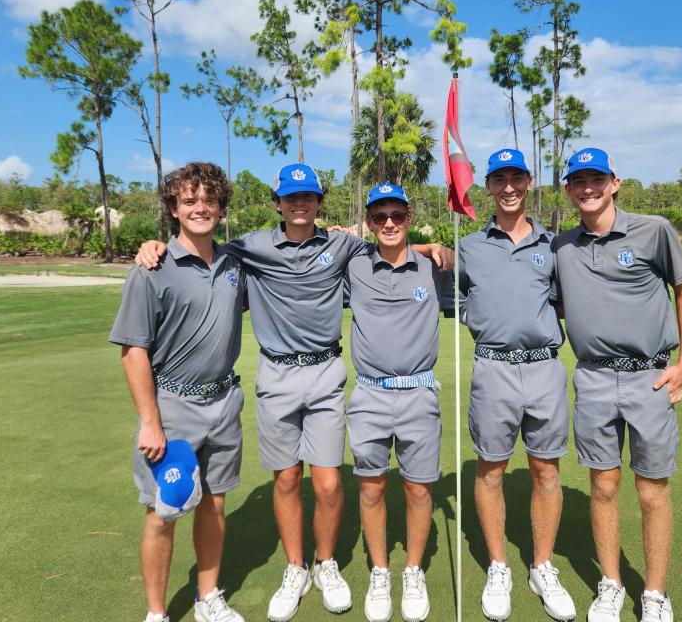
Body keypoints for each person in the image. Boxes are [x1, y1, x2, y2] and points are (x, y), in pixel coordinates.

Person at [135, 163, 451, 622]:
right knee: (285, 479)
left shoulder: (342, 244)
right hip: (276, 375)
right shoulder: (250, 248)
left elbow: (390, 242)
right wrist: (155, 245)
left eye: (308, 196)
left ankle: (325, 564)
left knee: (325, 483)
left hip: (325, 372)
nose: (300, 204)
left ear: (320, 202)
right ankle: (295, 567)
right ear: (277, 202)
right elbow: (202, 249)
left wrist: (428, 245)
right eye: (291, 197)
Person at [555, 148, 682, 622]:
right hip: (593, 377)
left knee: (652, 490)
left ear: (614, 182)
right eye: (578, 181)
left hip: (649, 377)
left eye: (596, 179)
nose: (587, 188)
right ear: (569, 189)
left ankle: (655, 594)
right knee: (603, 485)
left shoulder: (652, 229)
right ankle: (611, 584)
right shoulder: (562, 246)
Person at [110, 162, 247, 622]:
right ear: (173, 209)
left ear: (222, 207)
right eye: (189, 200)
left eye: (209, 200)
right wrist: (150, 420)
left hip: (225, 402)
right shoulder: (153, 268)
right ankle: (156, 613)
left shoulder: (233, 263)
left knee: (215, 503)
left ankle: (208, 598)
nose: (200, 208)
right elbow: (133, 351)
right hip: (173, 408)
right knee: (163, 512)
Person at [457, 148, 576, 622]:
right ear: (487, 186)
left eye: (516, 178)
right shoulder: (468, 244)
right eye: (498, 178)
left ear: (529, 183)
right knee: (490, 470)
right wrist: (474, 314)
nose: (508, 186)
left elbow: (566, 300)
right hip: (493, 368)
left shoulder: (555, 245)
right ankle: (499, 566)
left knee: (546, 471)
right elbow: (458, 293)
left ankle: (542, 566)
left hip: (544, 367)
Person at [344, 183, 454, 622]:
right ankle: (380, 570)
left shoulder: (436, 267)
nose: (388, 223)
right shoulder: (353, 265)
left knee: (418, 487)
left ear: (409, 217)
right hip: (369, 392)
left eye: (397, 216)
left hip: (419, 393)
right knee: (371, 487)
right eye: (379, 216)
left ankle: (413, 571)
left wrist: (436, 245)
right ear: (369, 222)